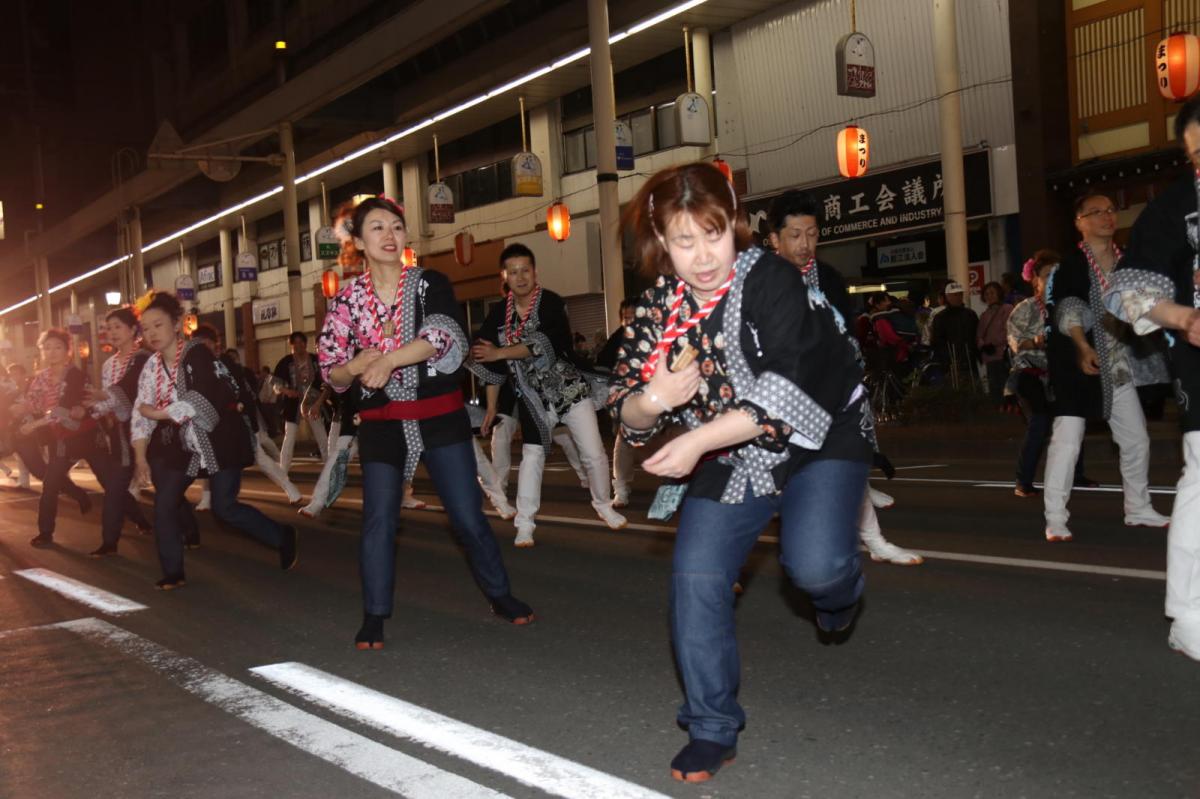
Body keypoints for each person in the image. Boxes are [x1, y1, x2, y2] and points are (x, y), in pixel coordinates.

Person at [610, 163, 873, 782]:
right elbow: (628, 411)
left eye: (713, 235)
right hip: (733, 450)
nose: (702, 257)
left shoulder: (772, 280)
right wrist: (656, 398)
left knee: (817, 567)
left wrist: (695, 436)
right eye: (684, 241)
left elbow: (787, 391)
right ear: (660, 242)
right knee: (696, 576)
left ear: (736, 225)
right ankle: (711, 726)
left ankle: (840, 594)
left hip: (822, 430)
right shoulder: (657, 309)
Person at [317, 196, 533, 648]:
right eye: (377, 228)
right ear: (358, 241)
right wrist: (356, 366)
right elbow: (331, 369)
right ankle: (374, 613)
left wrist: (388, 361)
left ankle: (500, 594)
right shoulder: (346, 301)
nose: (389, 235)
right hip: (381, 422)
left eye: (396, 226)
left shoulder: (427, 283)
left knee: (466, 516)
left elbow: (441, 335)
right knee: (378, 519)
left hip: (438, 416)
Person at [767, 190, 920, 565]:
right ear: (774, 239)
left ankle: (874, 540)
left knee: (848, 462)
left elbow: (847, 336)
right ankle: (727, 562)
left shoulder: (831, 279)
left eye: (813, 233)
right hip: (776, 400)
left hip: (830, 391)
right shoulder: (759, 281)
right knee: (767, 485)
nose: (805, 244)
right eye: (795, 235)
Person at [1102, 93, 1200, 661]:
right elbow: (1124, 287)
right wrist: (1181, 317)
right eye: (1194, 156)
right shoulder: (1175, 207)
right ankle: (1187, 613)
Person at [131, 291, 298, 590]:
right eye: (146, 329)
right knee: (164, 505)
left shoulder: (198, 354)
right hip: (178, 444)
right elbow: (139, 413)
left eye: (158, 325)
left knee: (224, 508)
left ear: (177, 323)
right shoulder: (151, 367)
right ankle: (173, 571)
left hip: (219, 438)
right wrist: (140, 457)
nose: (152, 333)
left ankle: (282, 536)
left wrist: (157, 413)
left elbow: (196, 401)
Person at [471, 243, 626, 547]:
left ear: (535, 272)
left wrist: (500, 351)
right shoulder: (496, 314)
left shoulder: (551, 302)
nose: (520, 277)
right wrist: (490, 406)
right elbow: (486, 359)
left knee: (594, 453)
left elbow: (545, 343)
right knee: (532, 456)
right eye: (513, 272)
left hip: (569, 389)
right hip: (532, 397)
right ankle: (525, 523)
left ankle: (603, 505)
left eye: (525, 270)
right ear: (505, 276)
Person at [1041, 192, 1171, 542]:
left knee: (1136, 439)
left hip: (1118, 364)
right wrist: (1082, 346)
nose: (1107, 217)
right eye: (1096, 212)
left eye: (1111, 210)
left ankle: (1138, 507)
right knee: (1067, 441)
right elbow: (1067, 308)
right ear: (1079, 222)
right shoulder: (1070, 266)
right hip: (1078, 363)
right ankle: (1055, 515)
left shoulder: (1128, 262)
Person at [190, 324, 302, 507]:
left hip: (236, 420)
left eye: (201, 343)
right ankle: (207, 497)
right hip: (213, 423)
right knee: (208, 457)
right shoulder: (196, 365)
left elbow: (245, 394)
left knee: (259, 457)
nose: (198, 347)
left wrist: (250, 420)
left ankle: (290, 488)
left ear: (210, 343)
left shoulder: (226, 364)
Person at [23, 329, 109, 548]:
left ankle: (139, 519)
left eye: (57, 347)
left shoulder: (77, 375)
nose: (52, 352)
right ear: (41, 352)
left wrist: (80, 409)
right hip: (60, 439)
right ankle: (45, 532)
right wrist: (21, 409)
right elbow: (33, 404)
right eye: (46, 348)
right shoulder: (39, 379)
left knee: (109, 480)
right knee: (51, 484)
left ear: (67, 350)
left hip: (84, 436)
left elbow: (85, 405)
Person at [80, 307, 154, 555]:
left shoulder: (144, 358)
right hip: (122, 433)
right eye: (108, 328)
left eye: (117, 327)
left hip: (149, 428)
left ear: (133, 330)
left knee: (166, 484)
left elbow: (130, 391)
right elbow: (109, 400)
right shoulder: (108, 365)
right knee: (115, 485)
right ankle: (109, 541)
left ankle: (188, 529)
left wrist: (103, 399)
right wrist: (93, 409)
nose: (111, 332)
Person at [275, 331, 328, 472]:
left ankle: (329, 470)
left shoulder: (315, 360)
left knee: (322, 437)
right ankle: (283, 471)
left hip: (313, 404)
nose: (299, 345)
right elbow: (275, 385)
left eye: (301, 342)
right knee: (289, 438)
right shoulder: (285, 362)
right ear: (291, 345)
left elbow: (324, 380)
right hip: (293, 404)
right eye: (295, 343)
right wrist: (287, 391)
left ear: (305, 343)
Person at [930, 281, 980, 387]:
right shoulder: (940, 317)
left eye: (960, 294)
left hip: (969, 360)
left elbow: (976, 336)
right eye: (955, 295)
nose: (958, 297)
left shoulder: (970, 314)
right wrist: (947, 361)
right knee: (953, 393)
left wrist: (977, 354)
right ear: (947, 297)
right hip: (950, 363)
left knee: (973, 391)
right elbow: (937, 342)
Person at [978, 281, 1013, 405]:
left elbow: (1008, 331)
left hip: (1003, 355)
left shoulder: (1007, 309)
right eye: (986, 294)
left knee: (1006, 385)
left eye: (992, 293)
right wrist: (983, 345)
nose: (989, 296)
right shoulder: (984, 315)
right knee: (993, 386)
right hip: (990, 356)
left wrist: (992, 343)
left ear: (999, 293)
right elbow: (979, 335)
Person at [257, 366, 281, 438]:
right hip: (267, 402)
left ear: (265, 372)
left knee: (270, 419)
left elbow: (270, 390)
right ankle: (272, 433)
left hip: (269, 403)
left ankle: (273, 434)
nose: (261, 373)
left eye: (262, 371)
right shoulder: (266, 379)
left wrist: (267, 399)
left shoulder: (270, 379)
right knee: (269, 419)